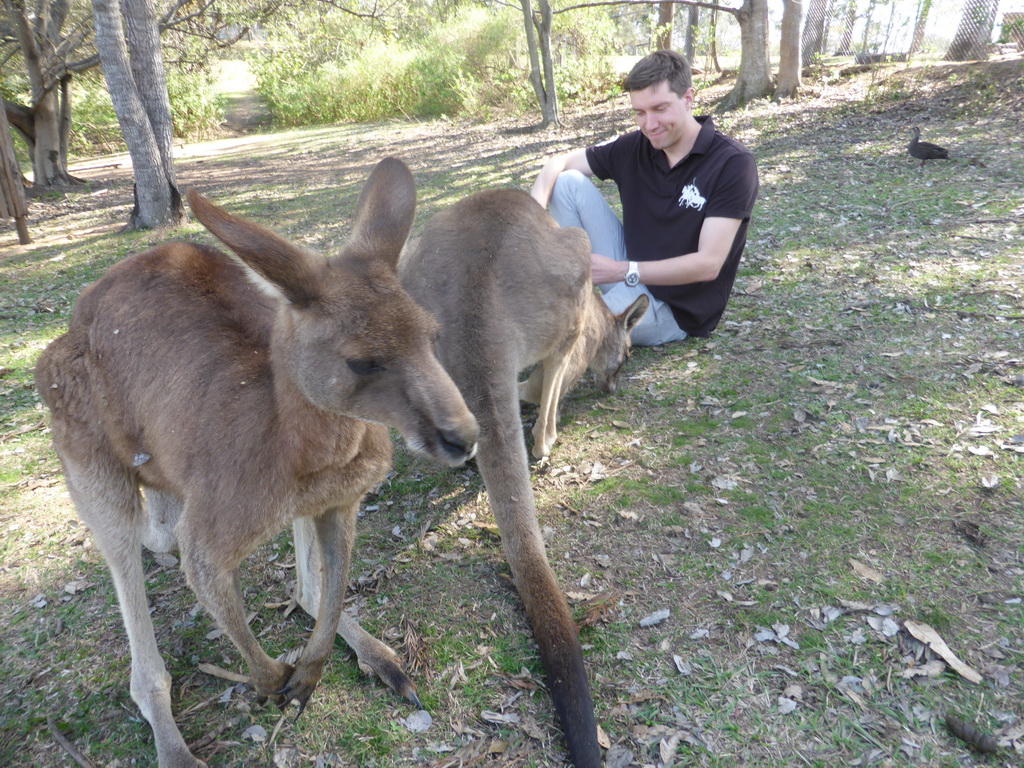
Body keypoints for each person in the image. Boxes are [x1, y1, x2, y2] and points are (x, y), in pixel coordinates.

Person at [531, 49, 759, 346]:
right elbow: (558, 163)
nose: (649, 124)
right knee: (566, 183)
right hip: (630, 275)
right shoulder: (636, 146)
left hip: (673, 309)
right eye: (640, 112)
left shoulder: (732, 163)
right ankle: (581, 297)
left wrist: (620, 270)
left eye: (660, 108)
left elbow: (709, 264)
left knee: (557, 326)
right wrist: (531, 219)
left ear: (688, 98)